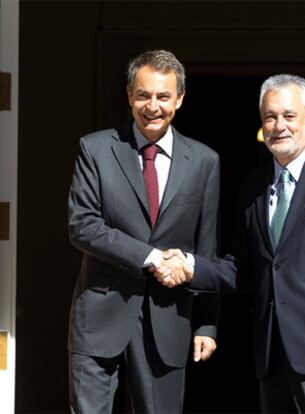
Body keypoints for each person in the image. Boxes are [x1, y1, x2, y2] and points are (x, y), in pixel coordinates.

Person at [154, 74, 305, 413]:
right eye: (270, 117)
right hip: (271, 352)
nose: (279, 126)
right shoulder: (253, 186)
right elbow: (241, 269)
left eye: (289, 116)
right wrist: (190, 265)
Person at [67, 49, 220, 413]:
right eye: (144, 95)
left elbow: (206, 248)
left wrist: (207, 325)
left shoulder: (204, 161)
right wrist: (151, 258)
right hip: (99, 317)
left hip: (168, 320)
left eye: (163, 96)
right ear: (129, 95)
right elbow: (82, 225)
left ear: (179, 98)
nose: (153, 106)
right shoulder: (96, 149)